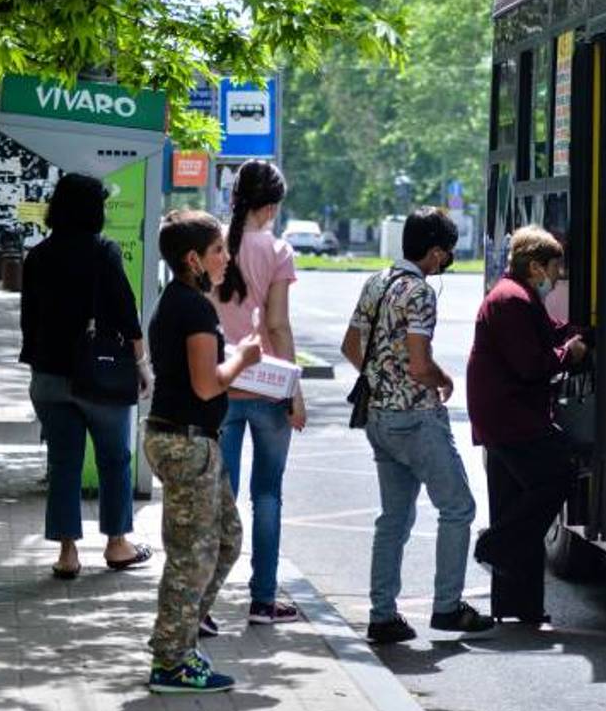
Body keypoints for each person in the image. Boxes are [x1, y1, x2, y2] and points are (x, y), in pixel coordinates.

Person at [340, 206, 493, 643]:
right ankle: (447, 606)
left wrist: (379, 378)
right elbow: (421, 362)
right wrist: (442, 379)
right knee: (458, 507)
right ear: (434, 252)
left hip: (378, 417)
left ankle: (382, 615)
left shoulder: (376, 282)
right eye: (447, 254)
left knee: (393, 519)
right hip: (418, 418)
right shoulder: (420, 293)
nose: (447, 261)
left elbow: (351, 346)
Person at [144, 210, 262, 694]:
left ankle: (183, 634)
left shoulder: (186, 301)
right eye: (218, 250)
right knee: (190, 556)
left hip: (195, 441)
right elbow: (206, 384)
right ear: (193, 258)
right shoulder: (191, 308)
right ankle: (171, 660)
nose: (225, 258)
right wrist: (243, 357)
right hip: (185, 441)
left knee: (227, 540)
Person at [20, 172, 153, 579]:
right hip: (100, 377)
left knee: (64, 462)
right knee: (115, 458)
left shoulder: (37, 256)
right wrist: (142, 365)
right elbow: (126, 314)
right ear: (94, 210)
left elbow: (29, 320)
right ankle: (116, 544)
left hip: (49, 377)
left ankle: (67, 553)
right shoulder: (103, 252)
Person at [467, 225, 587, 623]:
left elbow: (546, 335)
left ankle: (518, 605)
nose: (556, 276)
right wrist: (567, 355)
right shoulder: (513, 300)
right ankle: (496, 546)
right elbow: (531, 364)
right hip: (511, 415)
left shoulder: (514, 295)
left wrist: (573, 337)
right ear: (535, 265)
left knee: (511, 501)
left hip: (501, 413)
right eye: (554, 268)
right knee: (557, 478)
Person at [211, 159, 306, 633]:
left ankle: (203, 605)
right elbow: (277, 326)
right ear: (270, 207)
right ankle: (263, 601)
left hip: (221, 384)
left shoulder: (213, 248)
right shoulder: (278, 250)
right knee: (266, 496)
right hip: (268, 388)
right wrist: (296, 392)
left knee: (216, 498)